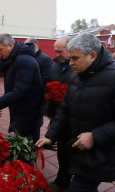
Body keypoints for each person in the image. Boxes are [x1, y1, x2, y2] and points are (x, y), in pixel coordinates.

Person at [36, 33, 115, 192]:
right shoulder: (77, 76)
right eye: (70, 58)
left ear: (93, 56)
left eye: (75, 58)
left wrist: (95, 136)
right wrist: (50, 136)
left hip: (103, 154)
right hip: (80, 151)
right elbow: (65, 110)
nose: (70, 63)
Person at [0, 34, 44, 142]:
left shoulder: (24, 60)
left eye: (0, 50)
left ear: (10, 45)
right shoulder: (13, 59)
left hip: (29, 112)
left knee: (26, 146)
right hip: (20, 109)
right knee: (21, 141)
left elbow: (20, 91)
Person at [48, 35, 73, 191]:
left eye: (60, 51)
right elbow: (49, 87)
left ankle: (70, 180)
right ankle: (62, 180)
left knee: (73, 151)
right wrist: (50, 110)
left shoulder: (77, 66)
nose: (57, 54)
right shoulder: (55, 66)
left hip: (74, 117)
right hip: (58, 115)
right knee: (62, 151)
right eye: (55, 51)